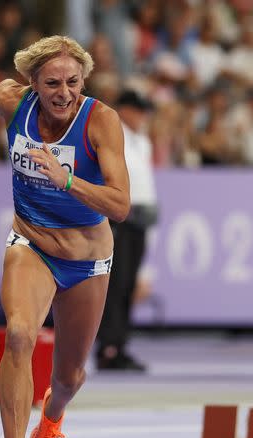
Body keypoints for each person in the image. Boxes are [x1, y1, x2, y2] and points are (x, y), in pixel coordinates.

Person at [0, 35, 130, 438]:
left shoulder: (101, 121)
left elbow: (120, 205)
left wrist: (68, 179)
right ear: (32, 82)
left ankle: (53, 415)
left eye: (73, 82)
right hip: (32, 243)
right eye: (53, 83)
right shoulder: (9, 100)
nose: (64, 93)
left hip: (86, 260)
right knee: (19, 334)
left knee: (69, 377)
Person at [95, 89, 158, 372]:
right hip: (118, 217)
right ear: (124, 110)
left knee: (129, 285)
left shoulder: (142, 142)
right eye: (138, 110)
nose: (143, 117)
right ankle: (107, 346)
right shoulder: (110, 135)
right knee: (115, 284)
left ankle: (119, 344)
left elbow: (146, 182)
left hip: (140, 218)